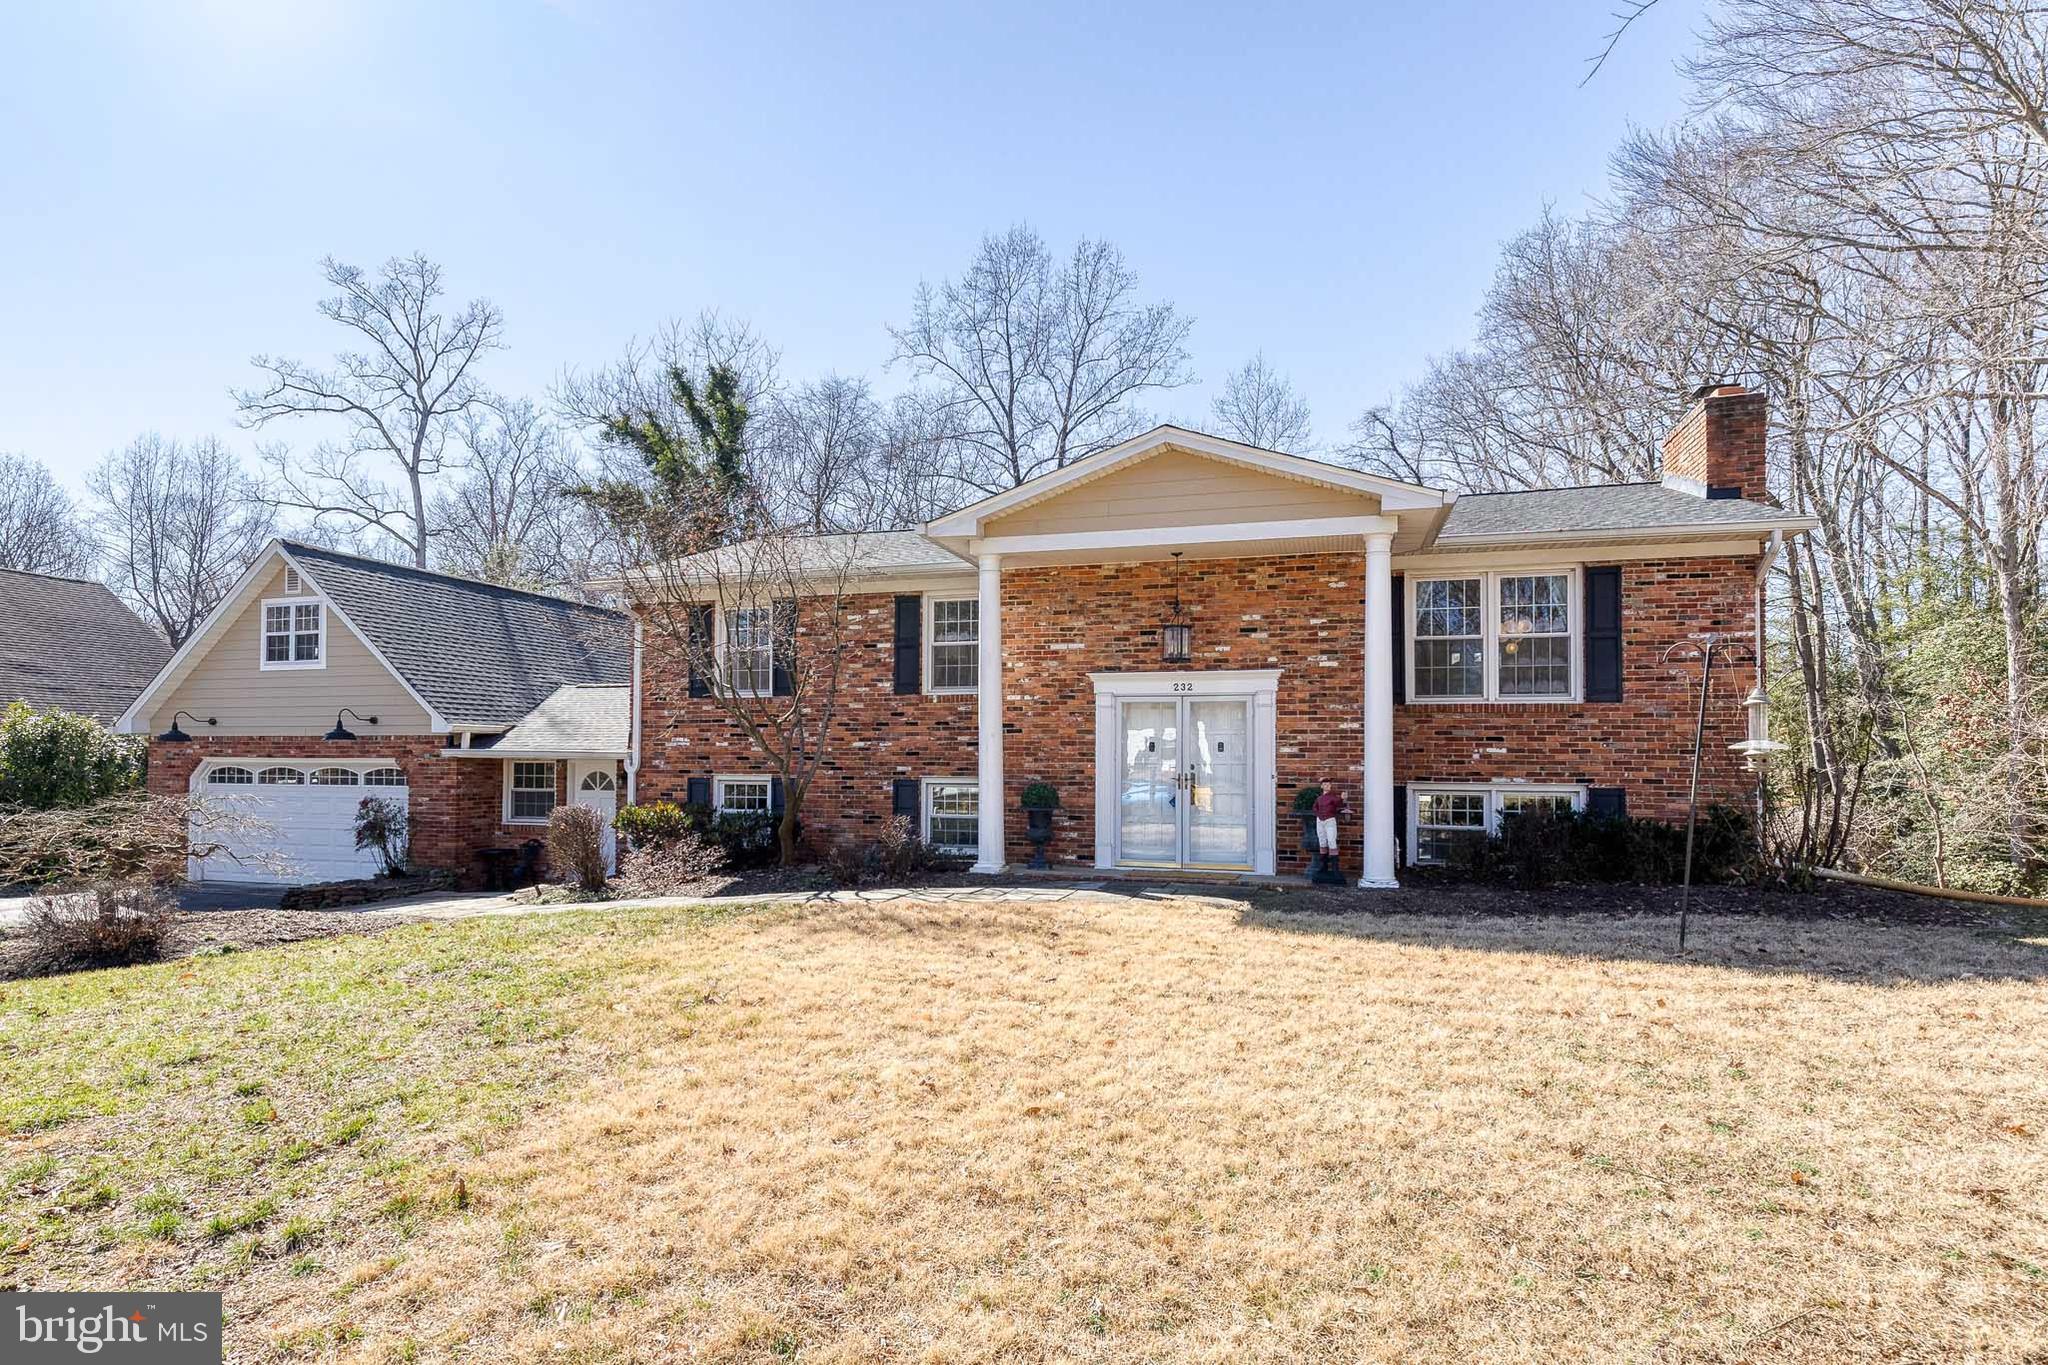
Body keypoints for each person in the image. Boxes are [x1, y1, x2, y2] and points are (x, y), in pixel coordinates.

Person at [1311, 779, 1350, 864]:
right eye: (1325, 784)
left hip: (1329, 820)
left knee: (1332, 841)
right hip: (1320, 821)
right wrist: (1318, 815)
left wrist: (1342, 798)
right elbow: (1314, 808)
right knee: (1322, 841)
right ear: (1321, 786)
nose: (1327, 786)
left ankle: (1334, 866)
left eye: (1328, 784)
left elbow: (1338, 803)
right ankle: (1323, 865)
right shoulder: (1319, 798)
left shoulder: (1333, 797)